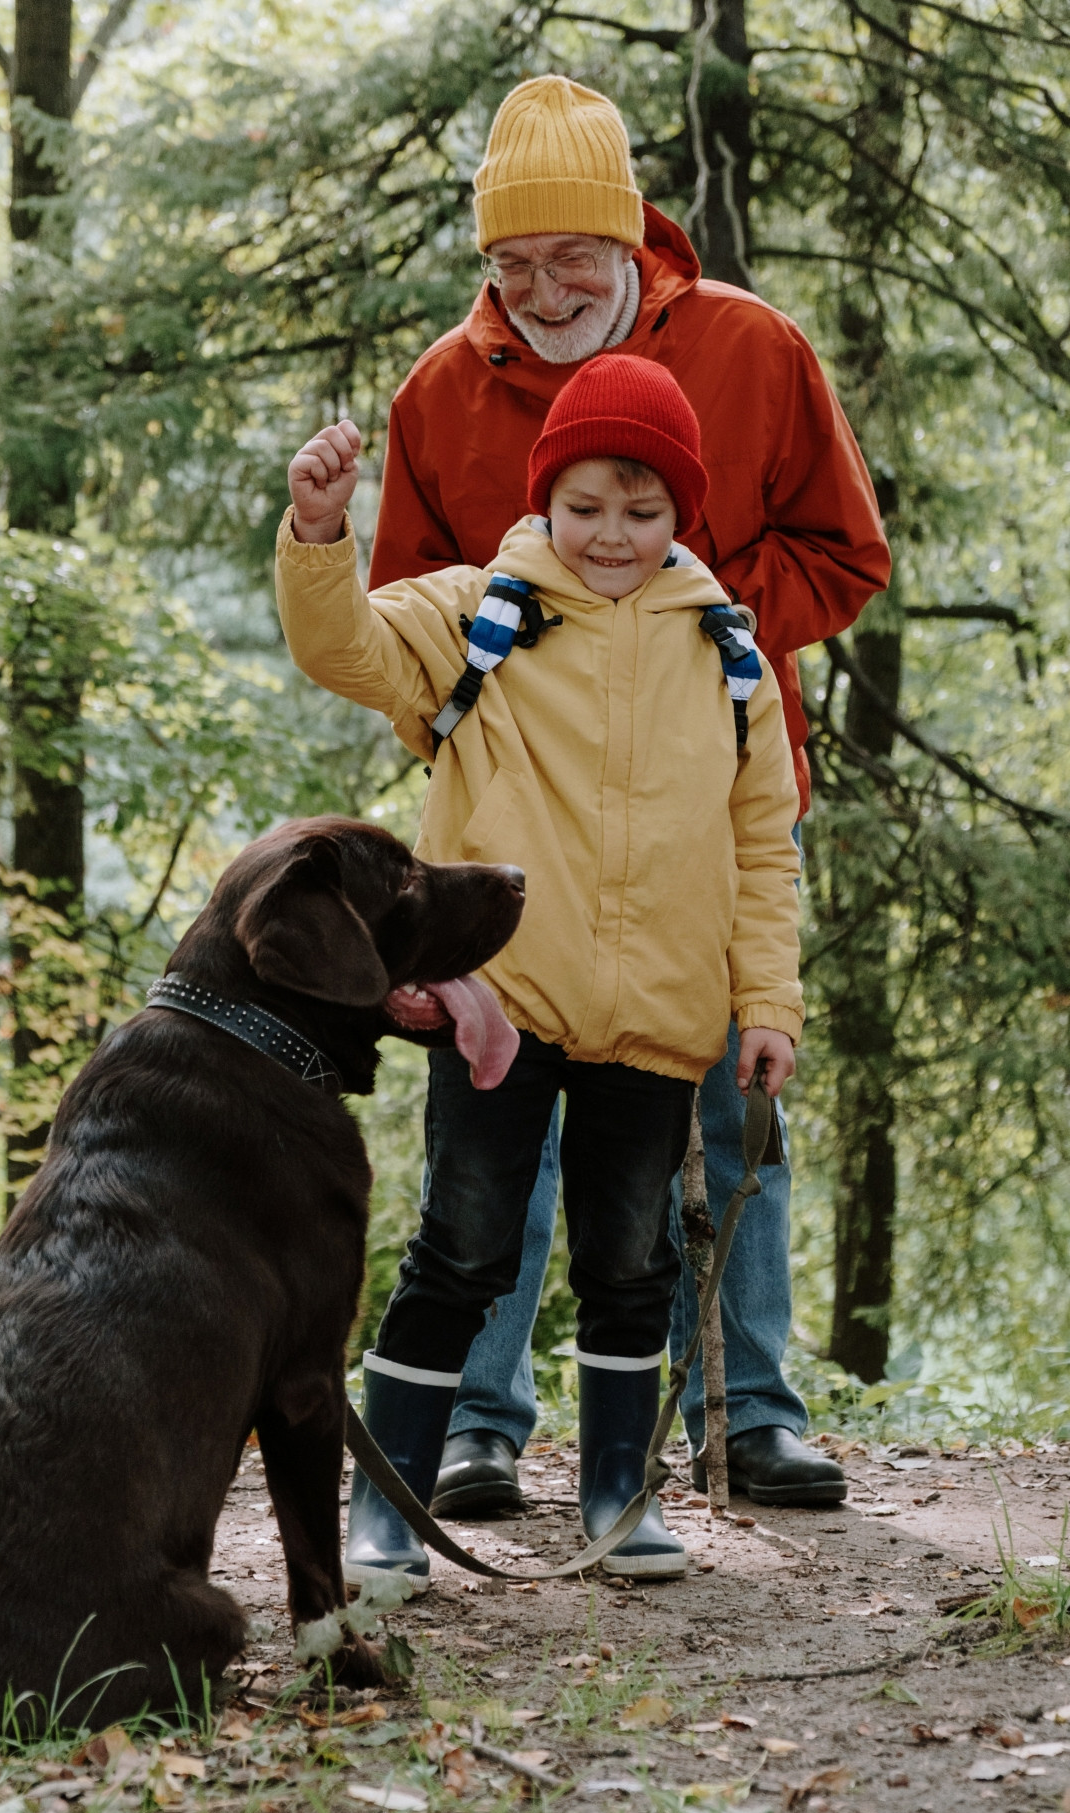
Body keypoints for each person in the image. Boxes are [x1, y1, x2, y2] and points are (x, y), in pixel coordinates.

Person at [367, 74, 892, 1514]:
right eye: (509, 262)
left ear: (628, 238)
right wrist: (498, 694)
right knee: (502, 1112)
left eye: (570, 257)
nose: (540, 288)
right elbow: (398, 612)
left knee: (727, 1097)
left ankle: (748, 1413)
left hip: (707, 800)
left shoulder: (752, 348)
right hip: (514, 832)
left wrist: (691, 628)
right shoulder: (439, 391)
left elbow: (847, 556)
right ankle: (481, 1424)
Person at [276, 351, 804, 1586]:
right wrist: (317, 530)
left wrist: (765, 1001)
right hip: (497, 1009)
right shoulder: (480, 611)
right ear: (543, 499)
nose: (610, 535)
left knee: (632, 1265)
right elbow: (342, 645)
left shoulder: (729, 658)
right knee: (460, 1250)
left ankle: (617, 1493)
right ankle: (390, 1499)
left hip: (660, 1019)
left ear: (682, 514)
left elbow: (760, 847)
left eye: (641, 510)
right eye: (584, 508)